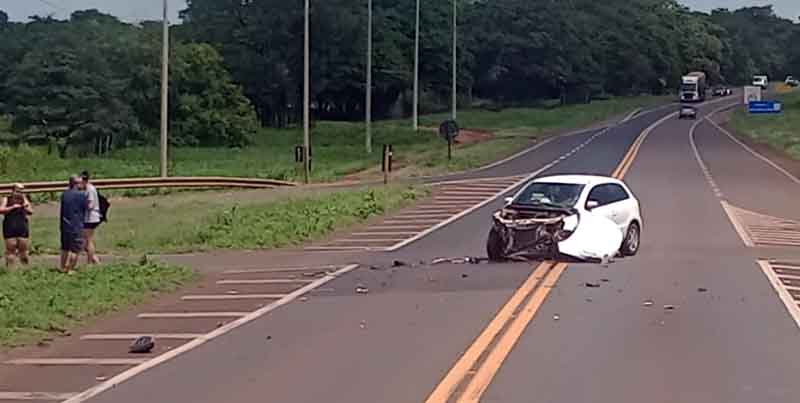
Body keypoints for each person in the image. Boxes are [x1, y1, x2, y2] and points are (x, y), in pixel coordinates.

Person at [59, 175, 88, 273]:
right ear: (76, 184)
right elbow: (86, 208)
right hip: (76, 225)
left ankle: (62, 267)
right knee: (75, 249)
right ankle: (70, 269)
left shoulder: (64, 194)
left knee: (65, 248)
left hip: (64, 225)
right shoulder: (82, 195)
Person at [1, 183, 33, 267]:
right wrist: (12, 207)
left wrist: (25, 207)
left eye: (21, 191)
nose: (19, 193)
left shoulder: (24, 199)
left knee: (23, 251)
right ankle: (10, 271)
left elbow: (31, 211)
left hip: (22, 226)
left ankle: (26, 270)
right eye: (17, 191)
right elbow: (1, 210)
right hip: (10, 226)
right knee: (10, 250)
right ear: (13, 191)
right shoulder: (6, 199)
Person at [80, 171, 102, 264]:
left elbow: (90, 205)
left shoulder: (90, 189)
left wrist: (81, 205)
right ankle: (95, 261)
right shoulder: (87, 188)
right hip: (89, 217)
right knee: (84, 241)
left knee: (88, 241)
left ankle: (89, 263)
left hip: (90, 218)